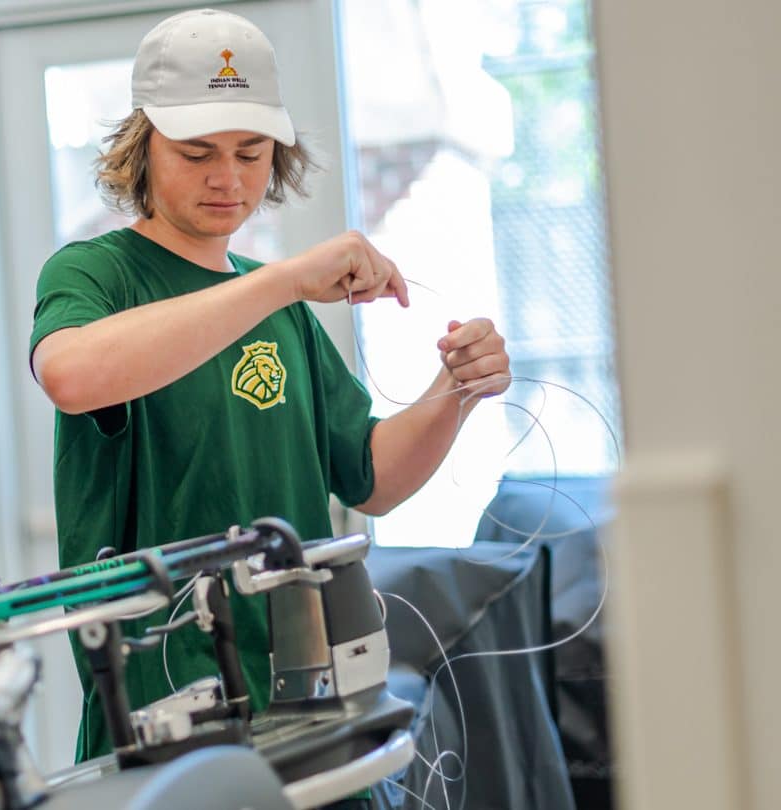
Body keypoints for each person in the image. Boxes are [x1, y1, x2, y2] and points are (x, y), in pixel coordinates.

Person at [29, 8, 512, 764]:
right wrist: (285, 279)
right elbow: (72, 373)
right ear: (142, 146)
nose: (228, 179)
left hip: (305, 691)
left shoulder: (276, 304)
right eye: (197, 154)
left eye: (251, 154)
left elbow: (373, 476)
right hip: (169, 700)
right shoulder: (98, 274)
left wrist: (454, 389)